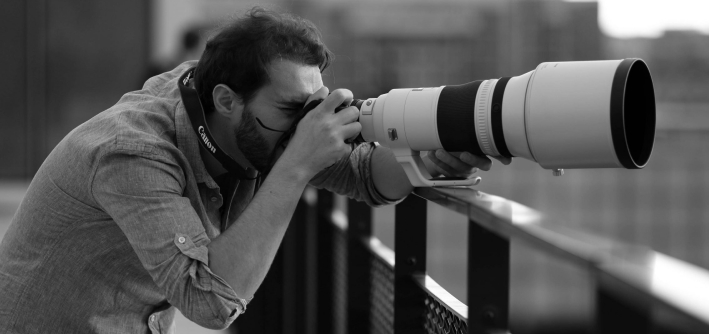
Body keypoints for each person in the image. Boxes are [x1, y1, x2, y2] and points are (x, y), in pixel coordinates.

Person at [0, 7, 507, 333]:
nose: (302, 125)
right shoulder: (132, 153)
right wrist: (296, 167)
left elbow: (364, 176)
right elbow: (213, 303)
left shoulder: (227, 110)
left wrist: (424, 159)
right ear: (226, 99)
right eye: (292, 110)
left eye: (313, 106)